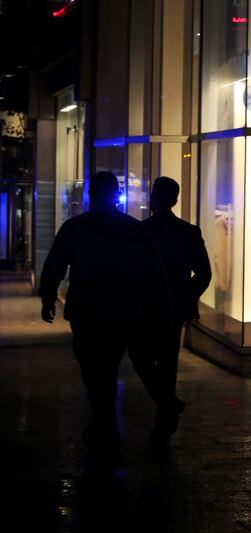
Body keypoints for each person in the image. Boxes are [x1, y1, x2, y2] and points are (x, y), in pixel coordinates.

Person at [38, 171, 170, 464]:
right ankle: (105, 422)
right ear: (116, 194)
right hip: (123, 309)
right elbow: (153, 271)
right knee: (108, 364)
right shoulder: (133, 229)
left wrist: (48, 296)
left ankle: (103, 423)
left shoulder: (76, 227)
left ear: (90, 194)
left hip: (87, 308)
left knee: (93, 367)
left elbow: (56, 264)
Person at [133, 176, 212, 442]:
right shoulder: (189, 232)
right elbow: (204, 273)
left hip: (147, 305)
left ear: (154, 197)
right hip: (175, 307)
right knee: (168, 364)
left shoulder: (142, 231)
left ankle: (166, 407)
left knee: (141, 356)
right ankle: (166, 418)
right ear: (175, 200)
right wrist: (185, 295)